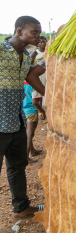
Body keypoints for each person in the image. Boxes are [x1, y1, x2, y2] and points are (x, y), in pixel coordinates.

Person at [0, 16, 46, 218]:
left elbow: (31, 76)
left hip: (16, 122)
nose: (38, 36)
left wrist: (50, 96)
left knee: (17, 167)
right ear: (20, 32)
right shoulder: (1, 51)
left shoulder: (26, 57)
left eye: (38, 32)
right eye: (34, 32)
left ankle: (21, 207)